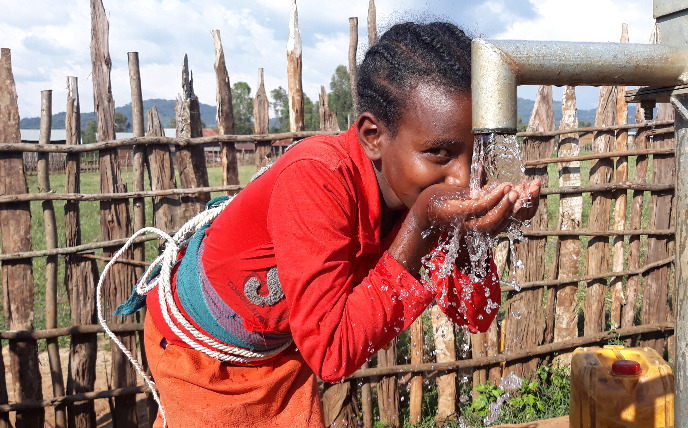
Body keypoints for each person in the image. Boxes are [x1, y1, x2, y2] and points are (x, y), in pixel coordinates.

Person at [134, 21, 540, 427]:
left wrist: (475, 234)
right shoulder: (317, 179)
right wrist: (419, 226)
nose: (463, 179)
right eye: (438, 152)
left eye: (476, 155)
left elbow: (475, 314)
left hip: (282, 346)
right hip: (205, 359)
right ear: (373, 136)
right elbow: (332, 354)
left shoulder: (420, 193)